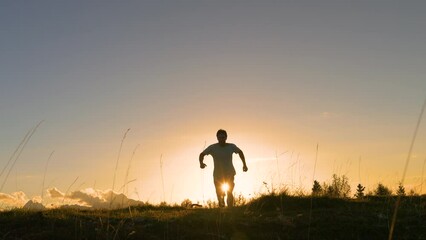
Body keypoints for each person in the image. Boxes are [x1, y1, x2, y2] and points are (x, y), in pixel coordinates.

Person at [199, 129, 248, 207]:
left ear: (226, 137)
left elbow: (240, 152)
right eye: (220, 137)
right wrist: (201, 163)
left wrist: (244, 165)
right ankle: (222, 209)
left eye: (223, 137)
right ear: (217, 138)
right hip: (217, 175)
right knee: (220, 193)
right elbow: (202, 154)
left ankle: (230, 209)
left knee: (229, 192)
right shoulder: (213, 147)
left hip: (230, 173)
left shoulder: (231, 146)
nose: (221, 139)